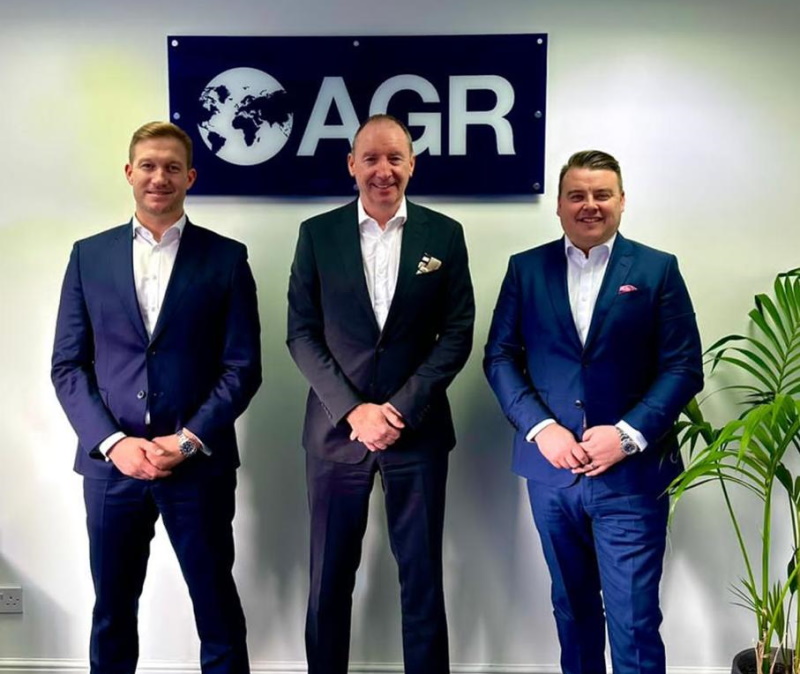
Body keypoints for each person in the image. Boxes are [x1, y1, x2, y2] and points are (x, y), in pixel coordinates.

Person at [51, 121, 261, 674]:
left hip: (198, 466)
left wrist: (187, 441)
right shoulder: (88, 256)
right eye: (148, 165)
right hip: (112, 469)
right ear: (129, 173)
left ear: (191, 177)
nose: (159, 177)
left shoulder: (226, 259)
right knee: (112, 612)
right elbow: (67, 365)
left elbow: (242, 368)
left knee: (216, 609)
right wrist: (114, 443)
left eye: (172, 167)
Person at [483, 150, 703, 674]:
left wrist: (626, 435)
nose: (590, 205)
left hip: (631, 477)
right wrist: (542, 429)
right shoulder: (525, 269)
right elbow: (500, 357)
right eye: (577, 195)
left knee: (634, 620)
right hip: (552, 474)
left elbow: (682, 366)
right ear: (559, 204)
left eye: (602, 194)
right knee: (572, 611)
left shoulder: (657, 269)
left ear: (622, 201)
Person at [286, 113, 475, 674]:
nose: (383, 170)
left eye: (395, 158)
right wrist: (353, 411)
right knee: (329, 579)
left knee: (421, 577)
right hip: (335, 435)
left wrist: (397, 409)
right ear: (352, 165)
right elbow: (301, 333)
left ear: (412, 164)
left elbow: (458, 332)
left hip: (416, 432)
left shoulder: (444, 234)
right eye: (370, 158)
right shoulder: (317, 234)